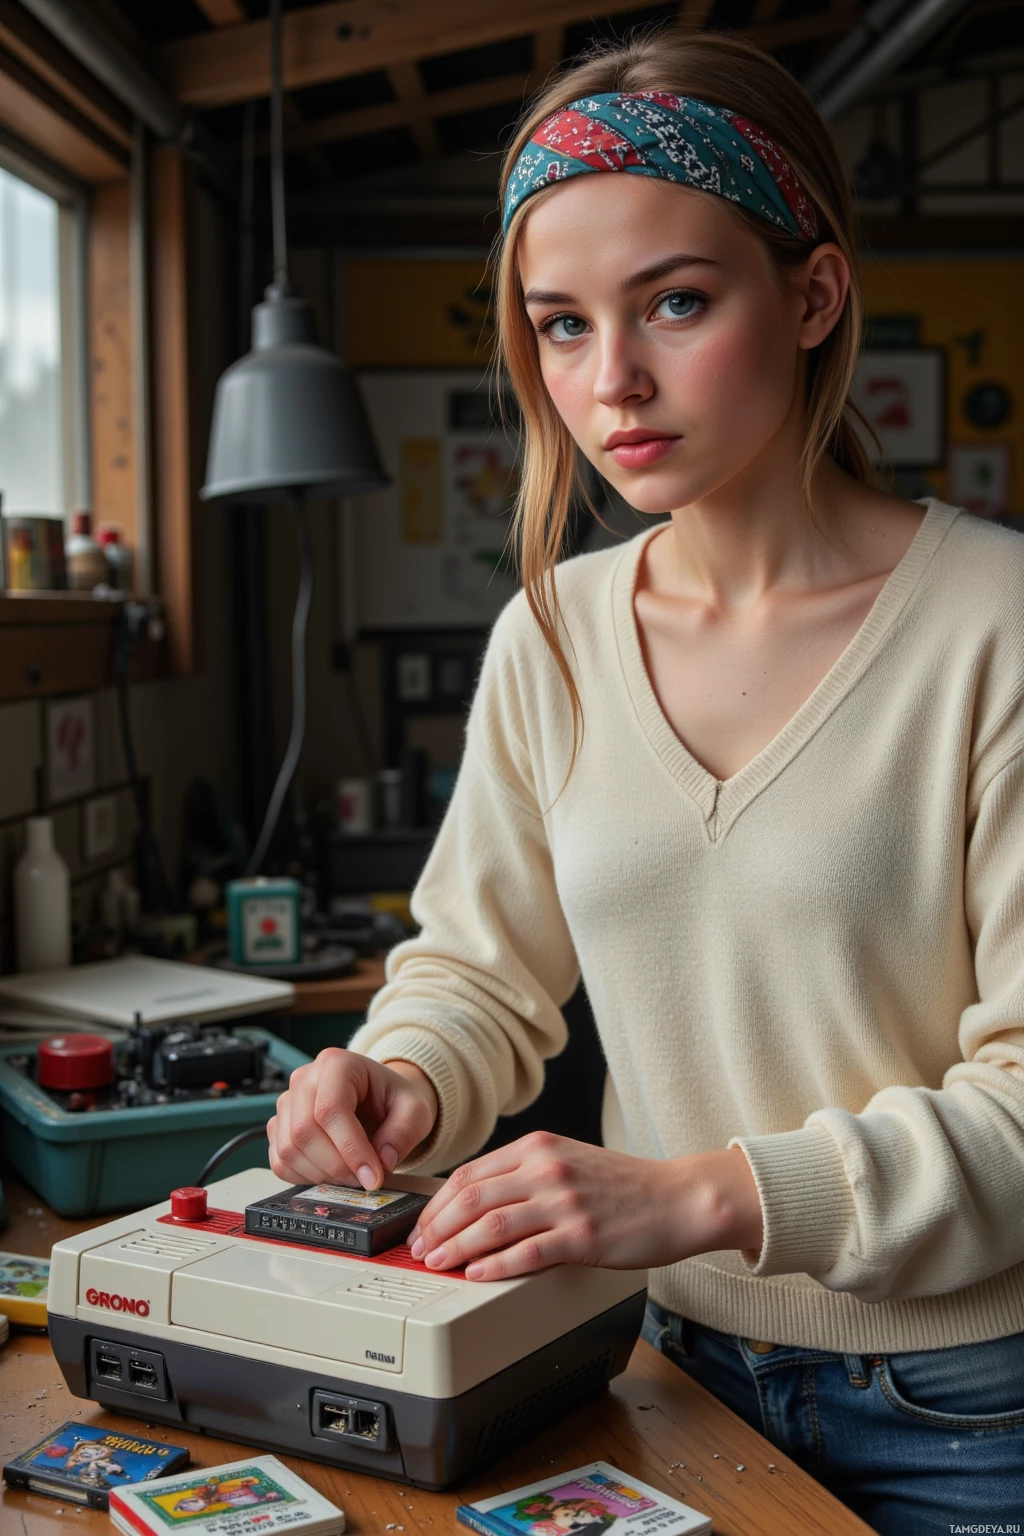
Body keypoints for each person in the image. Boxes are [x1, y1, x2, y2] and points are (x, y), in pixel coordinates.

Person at [269, 30, 1024, 1536]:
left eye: (676, 302)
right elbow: (477, 974)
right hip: (647, 1365)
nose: (609, 382)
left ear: (811, 297)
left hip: (968, 1410)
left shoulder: (996, 626)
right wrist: (402, 1078)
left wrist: (698, 1197)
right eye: (559, 325)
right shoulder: (552, 634)